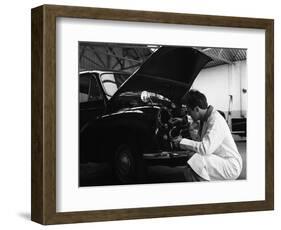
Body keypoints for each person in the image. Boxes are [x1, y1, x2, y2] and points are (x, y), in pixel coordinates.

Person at [173, 90, 242, 181]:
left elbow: (205, 148)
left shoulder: (215, 120)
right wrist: (183, 122)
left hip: (230, 165)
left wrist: (181, 142)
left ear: (197, 109)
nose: (188, 114)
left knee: (198, 159)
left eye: (189, 111)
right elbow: (199, 140)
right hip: (219, 159)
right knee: (193, 160)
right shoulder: (205, 119)